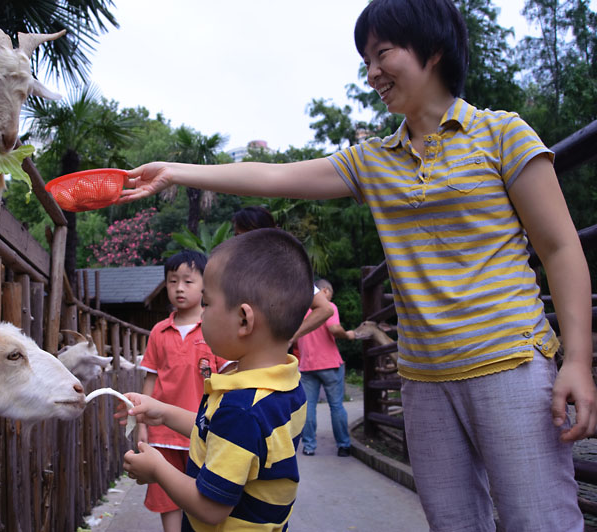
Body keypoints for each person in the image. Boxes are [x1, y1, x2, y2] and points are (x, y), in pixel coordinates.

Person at [120, 0, 597, 529]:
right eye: (364, 60)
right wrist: (177, 172)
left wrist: (577, 359)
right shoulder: (373, 161)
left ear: (433, 49)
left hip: (511, 363)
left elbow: (559, 247)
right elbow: (275, 176)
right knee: (454, 523)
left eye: (382, 54)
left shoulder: (503, 134)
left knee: (540, 521)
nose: (371, 73)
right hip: (425, 380)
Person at [116, 228, 312, 531]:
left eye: (206, 304)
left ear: (244, 320)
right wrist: (163, 411)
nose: (201, 314)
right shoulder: (285, 383)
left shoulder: (242, 409)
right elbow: (215, 431)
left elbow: (210, 508)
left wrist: (157, 469)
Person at [138, 250, 231, 532]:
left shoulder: (215, 327)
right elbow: (151, 380)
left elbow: (229, 378)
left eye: (188, 281)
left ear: (206, 284)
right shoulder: (158, 331)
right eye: (172, 280)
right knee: (166, 496)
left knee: (204, 494)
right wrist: (141, 424)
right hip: (162, 434)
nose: (179, 287)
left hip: (203, 431)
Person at [231, 205, 335, 345]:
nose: (241, 241)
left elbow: (325, 309)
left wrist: (291, 336)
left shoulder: (284, 267)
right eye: (237, 235)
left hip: (269, 356)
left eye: (248, 234)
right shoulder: (236, 269)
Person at [296, 279, 356, 458]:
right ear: (324, 291)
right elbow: (334, 328)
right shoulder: (328, 306)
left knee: (309, 407)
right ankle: (343, 446)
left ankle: (309, 446)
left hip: (307, 365)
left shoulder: (300, 311)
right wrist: (349, 335)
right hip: (329, 364)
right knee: (336, 405)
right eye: (330, 293)